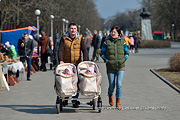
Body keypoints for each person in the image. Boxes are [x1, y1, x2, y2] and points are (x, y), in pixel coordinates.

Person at [58, 22, 87, 108]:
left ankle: (75, 100)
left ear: (76, 30)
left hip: (77, 63)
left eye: (74, 28)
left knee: (76, 81)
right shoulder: (64, 38)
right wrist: (60, 60)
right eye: (71, 28)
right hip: (67, 64)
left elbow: (84, 50)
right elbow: (60, 50)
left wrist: (85, 61)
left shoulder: (80, 38)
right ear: (68, 29)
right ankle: (66, 98)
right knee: (66, 81)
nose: (73, 30)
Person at [100, 26, 129, 109]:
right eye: (112, 31)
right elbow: (102, 53)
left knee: (119, 84)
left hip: (121, 66)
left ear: (119, 34)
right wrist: (106, 60)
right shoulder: (106, 42)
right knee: (112, 85)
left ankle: (118, 103)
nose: (113, 33)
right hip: (110, 66)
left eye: (115, 32)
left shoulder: (122, 42)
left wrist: (123, 59)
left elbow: (127, 53)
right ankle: (110, 95)